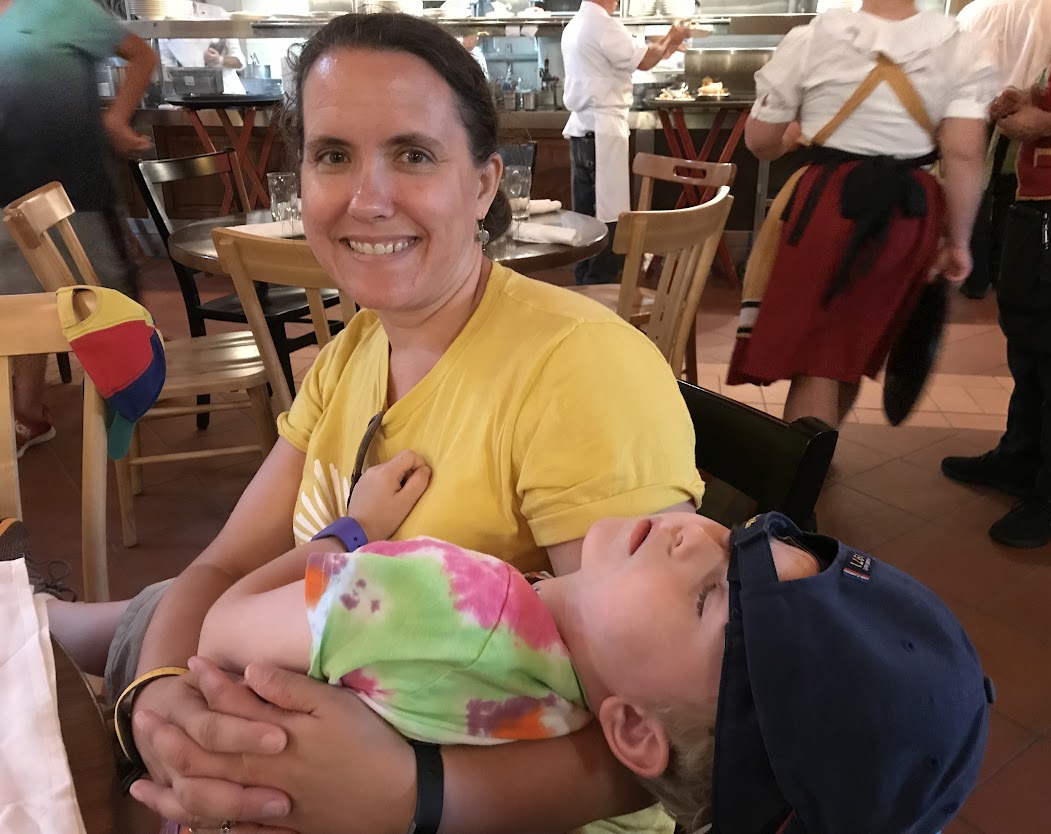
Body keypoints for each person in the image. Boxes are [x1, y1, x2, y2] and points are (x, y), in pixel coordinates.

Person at [36, 12, 706, 834]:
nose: (367, 199)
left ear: (484, 184)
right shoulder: (356, 349)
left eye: (413, 154)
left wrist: (414, 795)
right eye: (333, 155)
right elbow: (222, 565)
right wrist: (160, 694)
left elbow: (672, 736)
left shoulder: (579, 371)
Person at [194, 484, 993, 834]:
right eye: (741, 541)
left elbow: (217, 625)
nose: (694, 534)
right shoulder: (645, 811)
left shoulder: (446, 603)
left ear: (636, 733)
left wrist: (349, 529)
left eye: (709, 598)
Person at [723, 0, 997, 429]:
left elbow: (760, 141)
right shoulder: (959, 47)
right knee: (849, 348)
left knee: (819, 361)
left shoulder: (812, 40)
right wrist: (959, 240)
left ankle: (801, 469)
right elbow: (963, 153)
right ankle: (817, 453)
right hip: (908, 213)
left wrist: (792, 136)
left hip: (828, 205)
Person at [941, 0, 1051, 548]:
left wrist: (1046, 123)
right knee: (1033, 341)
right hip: (1046, 201)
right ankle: (1020, 459)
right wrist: (1031, 99)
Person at [0, 0, 155, 456]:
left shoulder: (64, 7)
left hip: (77, 188)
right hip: (8, 187)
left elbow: (142, 55)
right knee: (21, 301)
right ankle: (28, 413)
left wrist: (117, 118)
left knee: (109, 296)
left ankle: (132, 397)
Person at [561, 1, 688, 285]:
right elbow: (644, 61)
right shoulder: (603, 25)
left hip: (583, 131)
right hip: (602, 133)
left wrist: (667, 43)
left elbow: (641, 54)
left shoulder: (575, 25)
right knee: (607, 217)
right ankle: (599, 287)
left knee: (585, 217)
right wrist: (673, 35)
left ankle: (583, 284)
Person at [955, 0, 1051, 298]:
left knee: (974, 191)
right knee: (1011, 195)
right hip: (1021, 114)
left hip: (974, 115)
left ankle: (973, 279)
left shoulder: (975, 10)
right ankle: (1003, 273)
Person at [159, 1, 246, 96]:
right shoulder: (163, 24)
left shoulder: (217, 14)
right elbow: (168, 68)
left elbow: (240, 62)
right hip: (195, 96)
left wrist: (219, 60)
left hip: (229, 93)